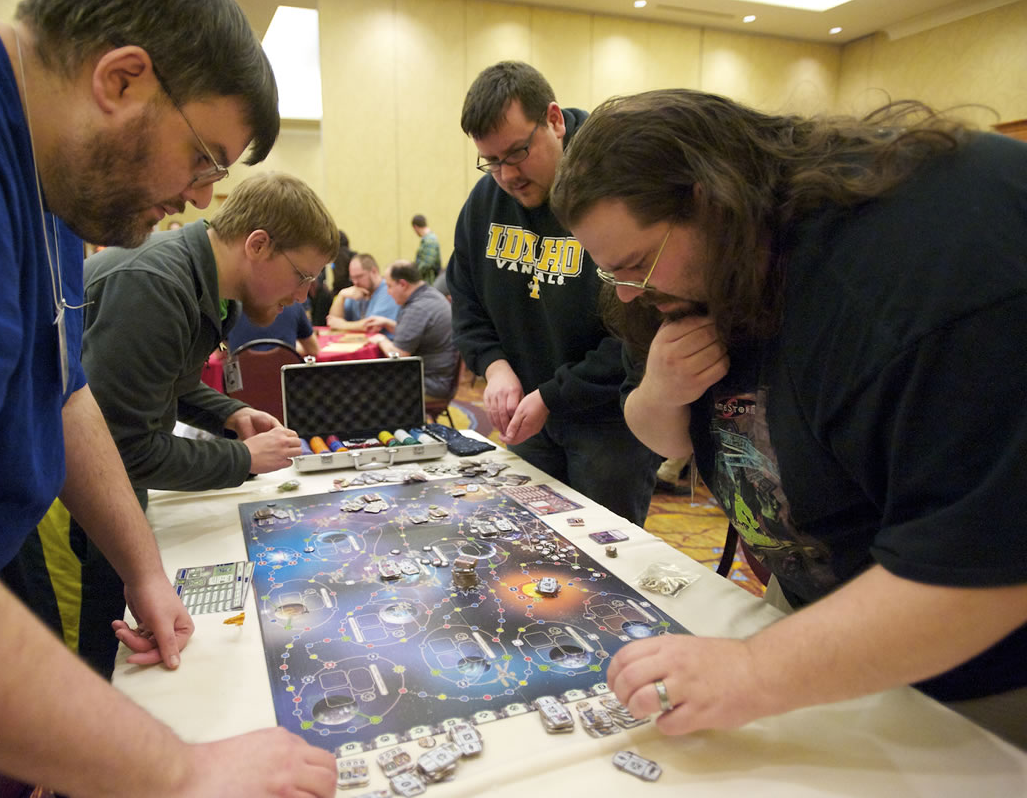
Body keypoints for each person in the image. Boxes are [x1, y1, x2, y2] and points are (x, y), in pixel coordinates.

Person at [0, 0, 337, 796]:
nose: (204, 199)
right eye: (204, 159)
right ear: (123, 79)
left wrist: (144, 570)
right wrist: (182, 770)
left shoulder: (55, 172)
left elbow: (65, 392)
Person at [551, 88, 1027, 748]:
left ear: (711, 201)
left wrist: (753, 668)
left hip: (979, 669)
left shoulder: (923, 274)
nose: (629, 292)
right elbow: (675, 436)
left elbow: (983, 569)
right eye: (611, 274)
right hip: (818, 608)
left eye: (636, 265)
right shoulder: (703, 269)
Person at [2, 171, 334, 679]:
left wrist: (228, 412)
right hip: (61, 497)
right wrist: (244, 459)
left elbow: (168, 385)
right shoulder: (156, 285)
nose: (304, 294)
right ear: (259, 245)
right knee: (81, 665)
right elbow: (120, 449)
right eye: (302, 276)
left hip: (98, 489)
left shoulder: (204, 284)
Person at [446, 60, 660, 526]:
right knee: (528, 546)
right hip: (527, 413)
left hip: (610, 422)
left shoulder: (612, 189)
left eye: (518, 152)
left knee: (606, 561)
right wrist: (495, 367)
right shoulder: (484, 203)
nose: (506, 175)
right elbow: (465, 303)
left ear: (555, 121)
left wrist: (553, 395)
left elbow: (640, 329)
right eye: (492, 160)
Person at [364, 260, 458, 399]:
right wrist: (389, 324)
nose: (388, 292)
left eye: (389, 286)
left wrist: (381, 339)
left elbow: (398, 356)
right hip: (440, 377)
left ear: (403, 284)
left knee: (366, 384)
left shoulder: (418, 308)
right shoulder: (429, 294)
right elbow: (419, 333)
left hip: (428, 384)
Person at [326, 252, 399, 331]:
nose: (355, 282)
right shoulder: (357, 290)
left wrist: (341, 325)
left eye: (359, 276)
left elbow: (373, 327)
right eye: (352, 278)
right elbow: (332, 321)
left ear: (374, 271)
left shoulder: (388, 290)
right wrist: (341, 295)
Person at [230, 302, 321, 357]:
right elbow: (313, 350)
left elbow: (220, 351)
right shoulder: (293, 305)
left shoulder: (231, 307)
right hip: (285, 385)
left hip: (240, 385)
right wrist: (290, 347)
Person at [411, 213, 442, 283]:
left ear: (415, 227)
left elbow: (427, 264)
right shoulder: (428, 239)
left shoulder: (429, 240)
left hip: (430, 281)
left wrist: (413, 275)